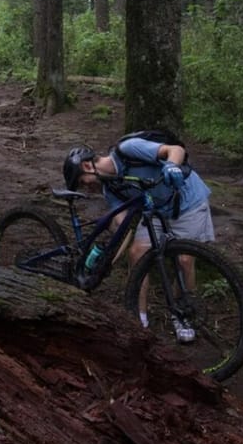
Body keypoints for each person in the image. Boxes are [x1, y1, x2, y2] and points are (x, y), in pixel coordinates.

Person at [62, 136, 214, 342]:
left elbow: (175, 149)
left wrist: (171, 166)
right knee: (136, 253)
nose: (86, 188)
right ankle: (139, 318)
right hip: (156, 213)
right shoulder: (110, 189)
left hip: (188, 203)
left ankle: (182, 315)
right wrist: (107, 262)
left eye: (82, 182)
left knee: (184, 260)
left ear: (88, 166)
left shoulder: (129, 149)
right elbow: (122, 226)